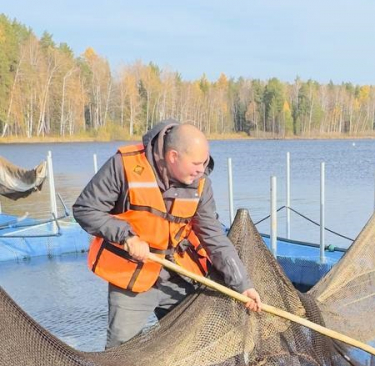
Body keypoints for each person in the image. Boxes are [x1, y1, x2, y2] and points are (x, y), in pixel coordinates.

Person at [73, 120, 262, 348]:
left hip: (178, 274)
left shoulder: (200, 183)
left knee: (194, 344)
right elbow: (85, 209)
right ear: (173, 156)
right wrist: (126, 236)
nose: (202, 170)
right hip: (132, 277)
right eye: (196, 163)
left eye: (204, 162)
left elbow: (213, 236)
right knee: (121, 351)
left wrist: (243, 285)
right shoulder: (123, 166)